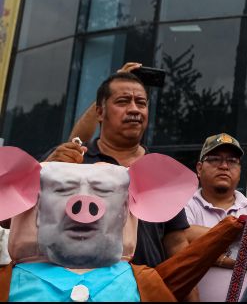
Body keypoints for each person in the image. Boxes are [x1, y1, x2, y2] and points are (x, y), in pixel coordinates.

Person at [43, 72, 191, 270]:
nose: (134, 110)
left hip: (144, 290)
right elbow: (8, 220)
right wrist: (44, 171)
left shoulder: (159, 170)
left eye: (141, 103)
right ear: (100, 113)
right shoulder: (70, 159)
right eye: (123, 102)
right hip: (72, 289)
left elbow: (176, 243)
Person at [184, 133, 247, 302]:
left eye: (232, 161)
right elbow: (181, 236)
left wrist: (205, 247)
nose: (224, 166)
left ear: (240, 170)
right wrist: (237, 231)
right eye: (215, 159)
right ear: (199, 168)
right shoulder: (184, 204)